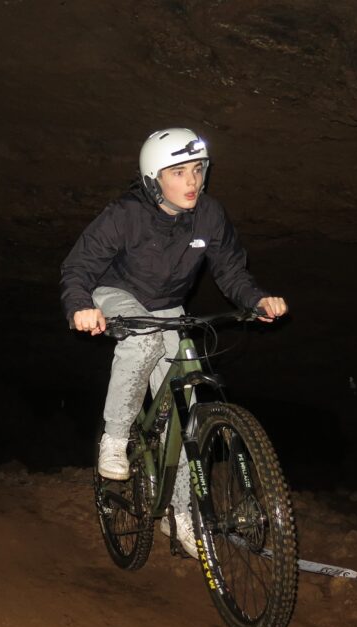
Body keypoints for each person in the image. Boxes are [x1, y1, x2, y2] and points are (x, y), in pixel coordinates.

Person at [59, 128, 288, 549]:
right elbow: (79, 268)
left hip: (167, 306)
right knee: (141, 342)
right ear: (153, 179)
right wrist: (79, 306)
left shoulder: (210, 216)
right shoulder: (124, 214)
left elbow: (231, 270)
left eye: (198, 170)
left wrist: (256, 300)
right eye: (178, 172)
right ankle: (114, 438)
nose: (192, 182)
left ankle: (179, 512)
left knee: (187, 410)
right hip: (116, 294)